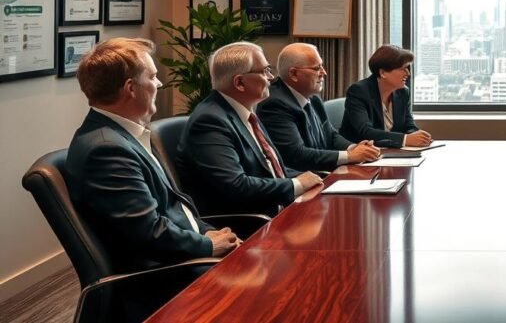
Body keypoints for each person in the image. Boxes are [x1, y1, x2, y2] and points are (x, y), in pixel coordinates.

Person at [65, 39, 240, 321]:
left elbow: (173, 207)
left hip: (184, 255)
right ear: (131, 88)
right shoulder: (106, 149)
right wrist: (208, 245)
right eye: (153, 76)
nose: (159, 85)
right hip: (164, 276)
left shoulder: (122, 135)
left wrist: (208, 233)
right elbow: (149, 233)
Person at [177, 42, 322, 217]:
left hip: (278, 209)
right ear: (239, 82)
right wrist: (296, 184)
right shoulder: (209, 121)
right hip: (248, 223)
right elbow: (236, 185)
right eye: (264, 71)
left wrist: (312, 178)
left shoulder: (245, 111)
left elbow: (270, 170)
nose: (271, 78)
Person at [257, 43, 380, 172]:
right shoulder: (274, 104)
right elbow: (296, 155)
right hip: (303, 179)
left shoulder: (313, 98)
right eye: (317, 68)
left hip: (323, 173)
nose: (324, 73)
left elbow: (330, 135)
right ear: (293, 73)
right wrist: (349, 156)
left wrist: (353, 148)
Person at [340, 44, 433, 148]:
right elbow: (365, 132)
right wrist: (405, 139)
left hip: (391, 153)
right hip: (360, 153)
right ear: (383, 73)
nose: (408, 73)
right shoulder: (358, 91)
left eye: (408, 68)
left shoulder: (403, 92)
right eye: (403, 68)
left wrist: (418, 136)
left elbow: (409, 125)